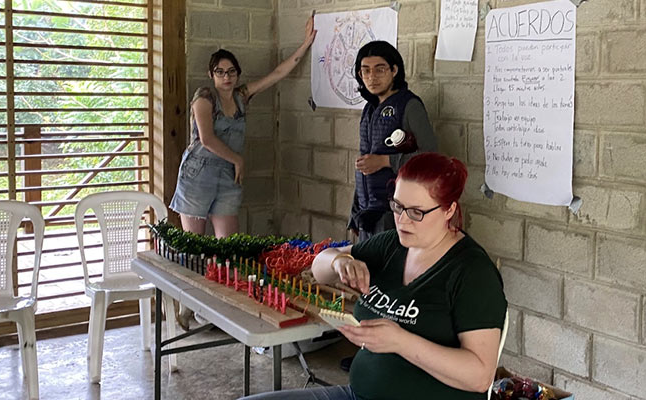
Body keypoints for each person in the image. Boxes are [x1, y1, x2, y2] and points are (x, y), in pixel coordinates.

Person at [240, 153, 508, 400]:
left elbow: (480, 376)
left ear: (449, 210)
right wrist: (339, 261)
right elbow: (319, 267)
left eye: (417, 212)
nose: (402, 220)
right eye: (397, 206)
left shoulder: (472, 272)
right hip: (360, 394)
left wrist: (402, 342)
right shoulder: (392, 245)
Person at [171, 16, 316, 329]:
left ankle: (215, 307)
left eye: (231, 71)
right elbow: (207, 139)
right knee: (194, 247)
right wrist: (238, 159)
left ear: (237, 75)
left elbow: (277, 74)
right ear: (212, 74)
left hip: (227, 178)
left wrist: (305, 44)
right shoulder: (204, 98)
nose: (226, 77)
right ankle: (186, 305)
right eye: (220, 72)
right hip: (199, 173)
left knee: (228, 246)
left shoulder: (242, 96)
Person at [348, 40, 437, 242]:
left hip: (396, 213)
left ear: (394, 70)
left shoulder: (409, 105)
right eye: (366, 71)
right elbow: (365, 165)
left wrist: (385, 161)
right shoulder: (369, 109)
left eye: (380, 70)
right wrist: (355, 212)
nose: (372, 77)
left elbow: (431, 157)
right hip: (367, 213)